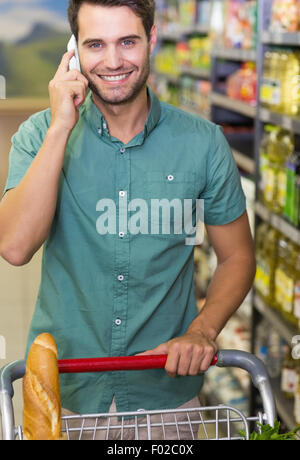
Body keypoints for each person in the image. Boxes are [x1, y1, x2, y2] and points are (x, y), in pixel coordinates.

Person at [0, 0, 256, 440]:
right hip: (66, 396)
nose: (114, 61)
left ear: (152, 38)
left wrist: (203, 330)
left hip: (167, 398)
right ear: (74, 51)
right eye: (95, 44)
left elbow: (237, 257)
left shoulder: (204, 143)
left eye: (128, 42)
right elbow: (15, 247)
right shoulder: (39, 135)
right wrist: (62, 124)